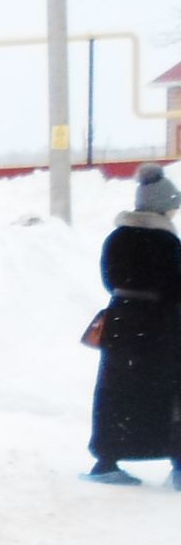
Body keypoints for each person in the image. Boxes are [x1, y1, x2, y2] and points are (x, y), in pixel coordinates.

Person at [84, 162, 181, 487]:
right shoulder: (166, 242)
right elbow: (175, 286)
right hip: (160, 327)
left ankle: (107, 460)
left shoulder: (118, 236)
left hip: (122, 322)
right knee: (169, 394)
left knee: (116, 392)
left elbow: (109, 279)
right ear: (161, 207)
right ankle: (178, 462)